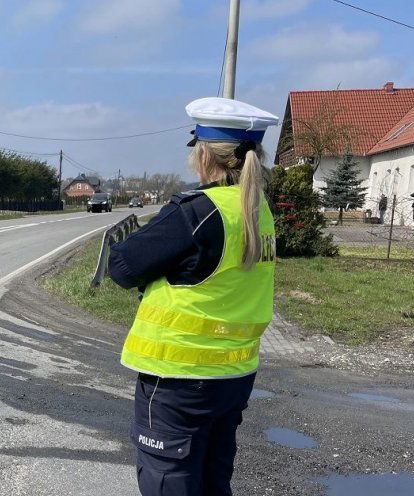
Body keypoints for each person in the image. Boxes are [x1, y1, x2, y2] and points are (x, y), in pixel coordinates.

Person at [108, 97, 279, 496]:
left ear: (204, 153)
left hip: (180, 377)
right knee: (212, 480)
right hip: (233, 375)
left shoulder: (197, 211)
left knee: (171, 481)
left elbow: (123, 267)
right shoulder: (257, 208)